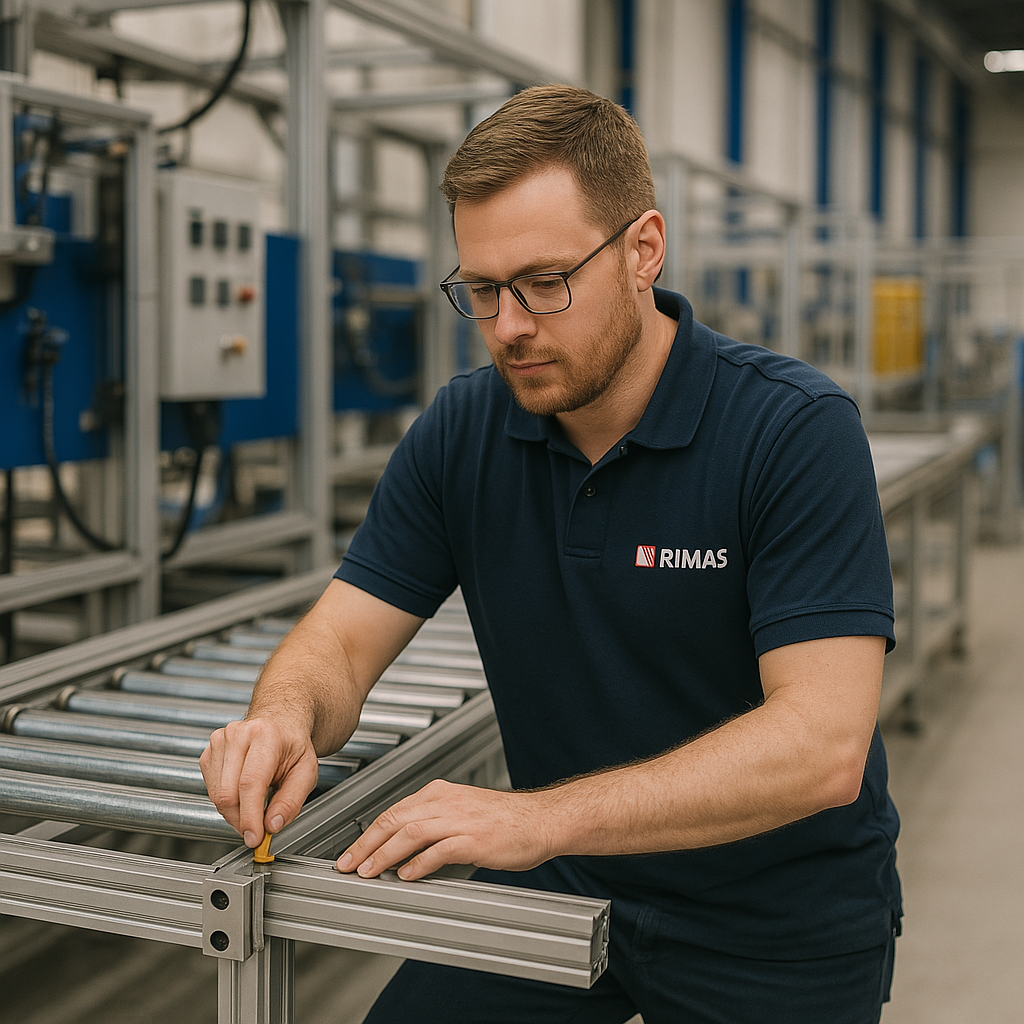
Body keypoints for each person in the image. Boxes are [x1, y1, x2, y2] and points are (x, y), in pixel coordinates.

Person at [201, 84, 902, 1024]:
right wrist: (284, 717)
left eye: (543, 282)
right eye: (482, 291)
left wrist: (535, 818)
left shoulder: (790, 431)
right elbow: (340, 642)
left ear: (644, 250)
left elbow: (821, 748)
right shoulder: (463, 429)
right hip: (570, 882)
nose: (511, 326)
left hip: (776, 916)